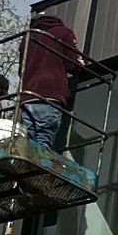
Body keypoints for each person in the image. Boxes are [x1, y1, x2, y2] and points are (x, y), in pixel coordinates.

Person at [19, 12, 81, 149]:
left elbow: (21, 71)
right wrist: (81, 63)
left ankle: (28, 166)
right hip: (50, 94)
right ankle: (39, 168)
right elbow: (73, 64)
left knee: (29, 142)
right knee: (43, 138)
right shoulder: (64, 32)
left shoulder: (27, 37)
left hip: (27, 96)